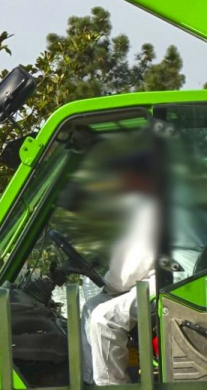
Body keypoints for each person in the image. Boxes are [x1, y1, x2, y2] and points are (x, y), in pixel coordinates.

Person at [86, 158, 160, 385]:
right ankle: (89, 379)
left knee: (103, 318)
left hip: (172, 283)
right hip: (162, 277)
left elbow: (128, 272)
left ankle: (112, 385)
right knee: (90, 306)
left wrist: (109, 286)